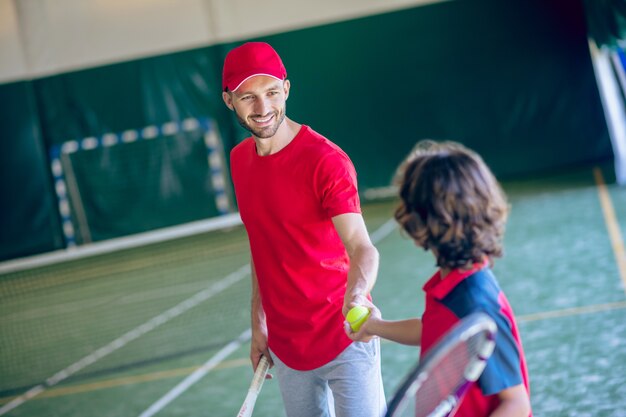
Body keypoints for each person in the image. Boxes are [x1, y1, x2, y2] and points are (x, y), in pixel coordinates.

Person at [222, 42, 385, 417]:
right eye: (248, 97)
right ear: (229, 100)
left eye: (272, 93)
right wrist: (258, 322)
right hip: (287, 347)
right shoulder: (239, 162)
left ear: (287, 89)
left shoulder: (326, 161)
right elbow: (262, 245)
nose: (263, 109)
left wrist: (358, 296)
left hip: (345, 335)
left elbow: (362, 247)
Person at [346, 140, 532, 417]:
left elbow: (516, 404)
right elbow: (437, 334)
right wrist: (375, 326)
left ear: (421, 220)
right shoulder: (454, 283)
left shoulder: (476, 301)